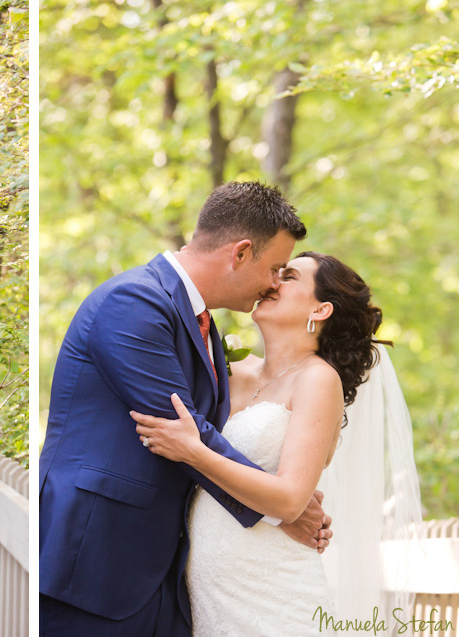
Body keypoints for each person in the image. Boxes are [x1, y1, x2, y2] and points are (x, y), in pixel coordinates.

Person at [40, 182, 332, 636]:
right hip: (97, 559)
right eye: (275, 268)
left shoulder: (204, 325)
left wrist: (283, 498)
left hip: (167, 572)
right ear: (239, 253)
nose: (274, 283)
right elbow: (183, 427)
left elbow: (195, 441)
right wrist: (283, 506)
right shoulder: (134, 302)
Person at [132, 252, 421, 635]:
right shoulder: (231, 369)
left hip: (274, 588)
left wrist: (194, 452)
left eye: (289, 276)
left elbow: (288, 500)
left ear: (320, 310)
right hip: (206, 588)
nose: (272, 282)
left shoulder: (318, 381)